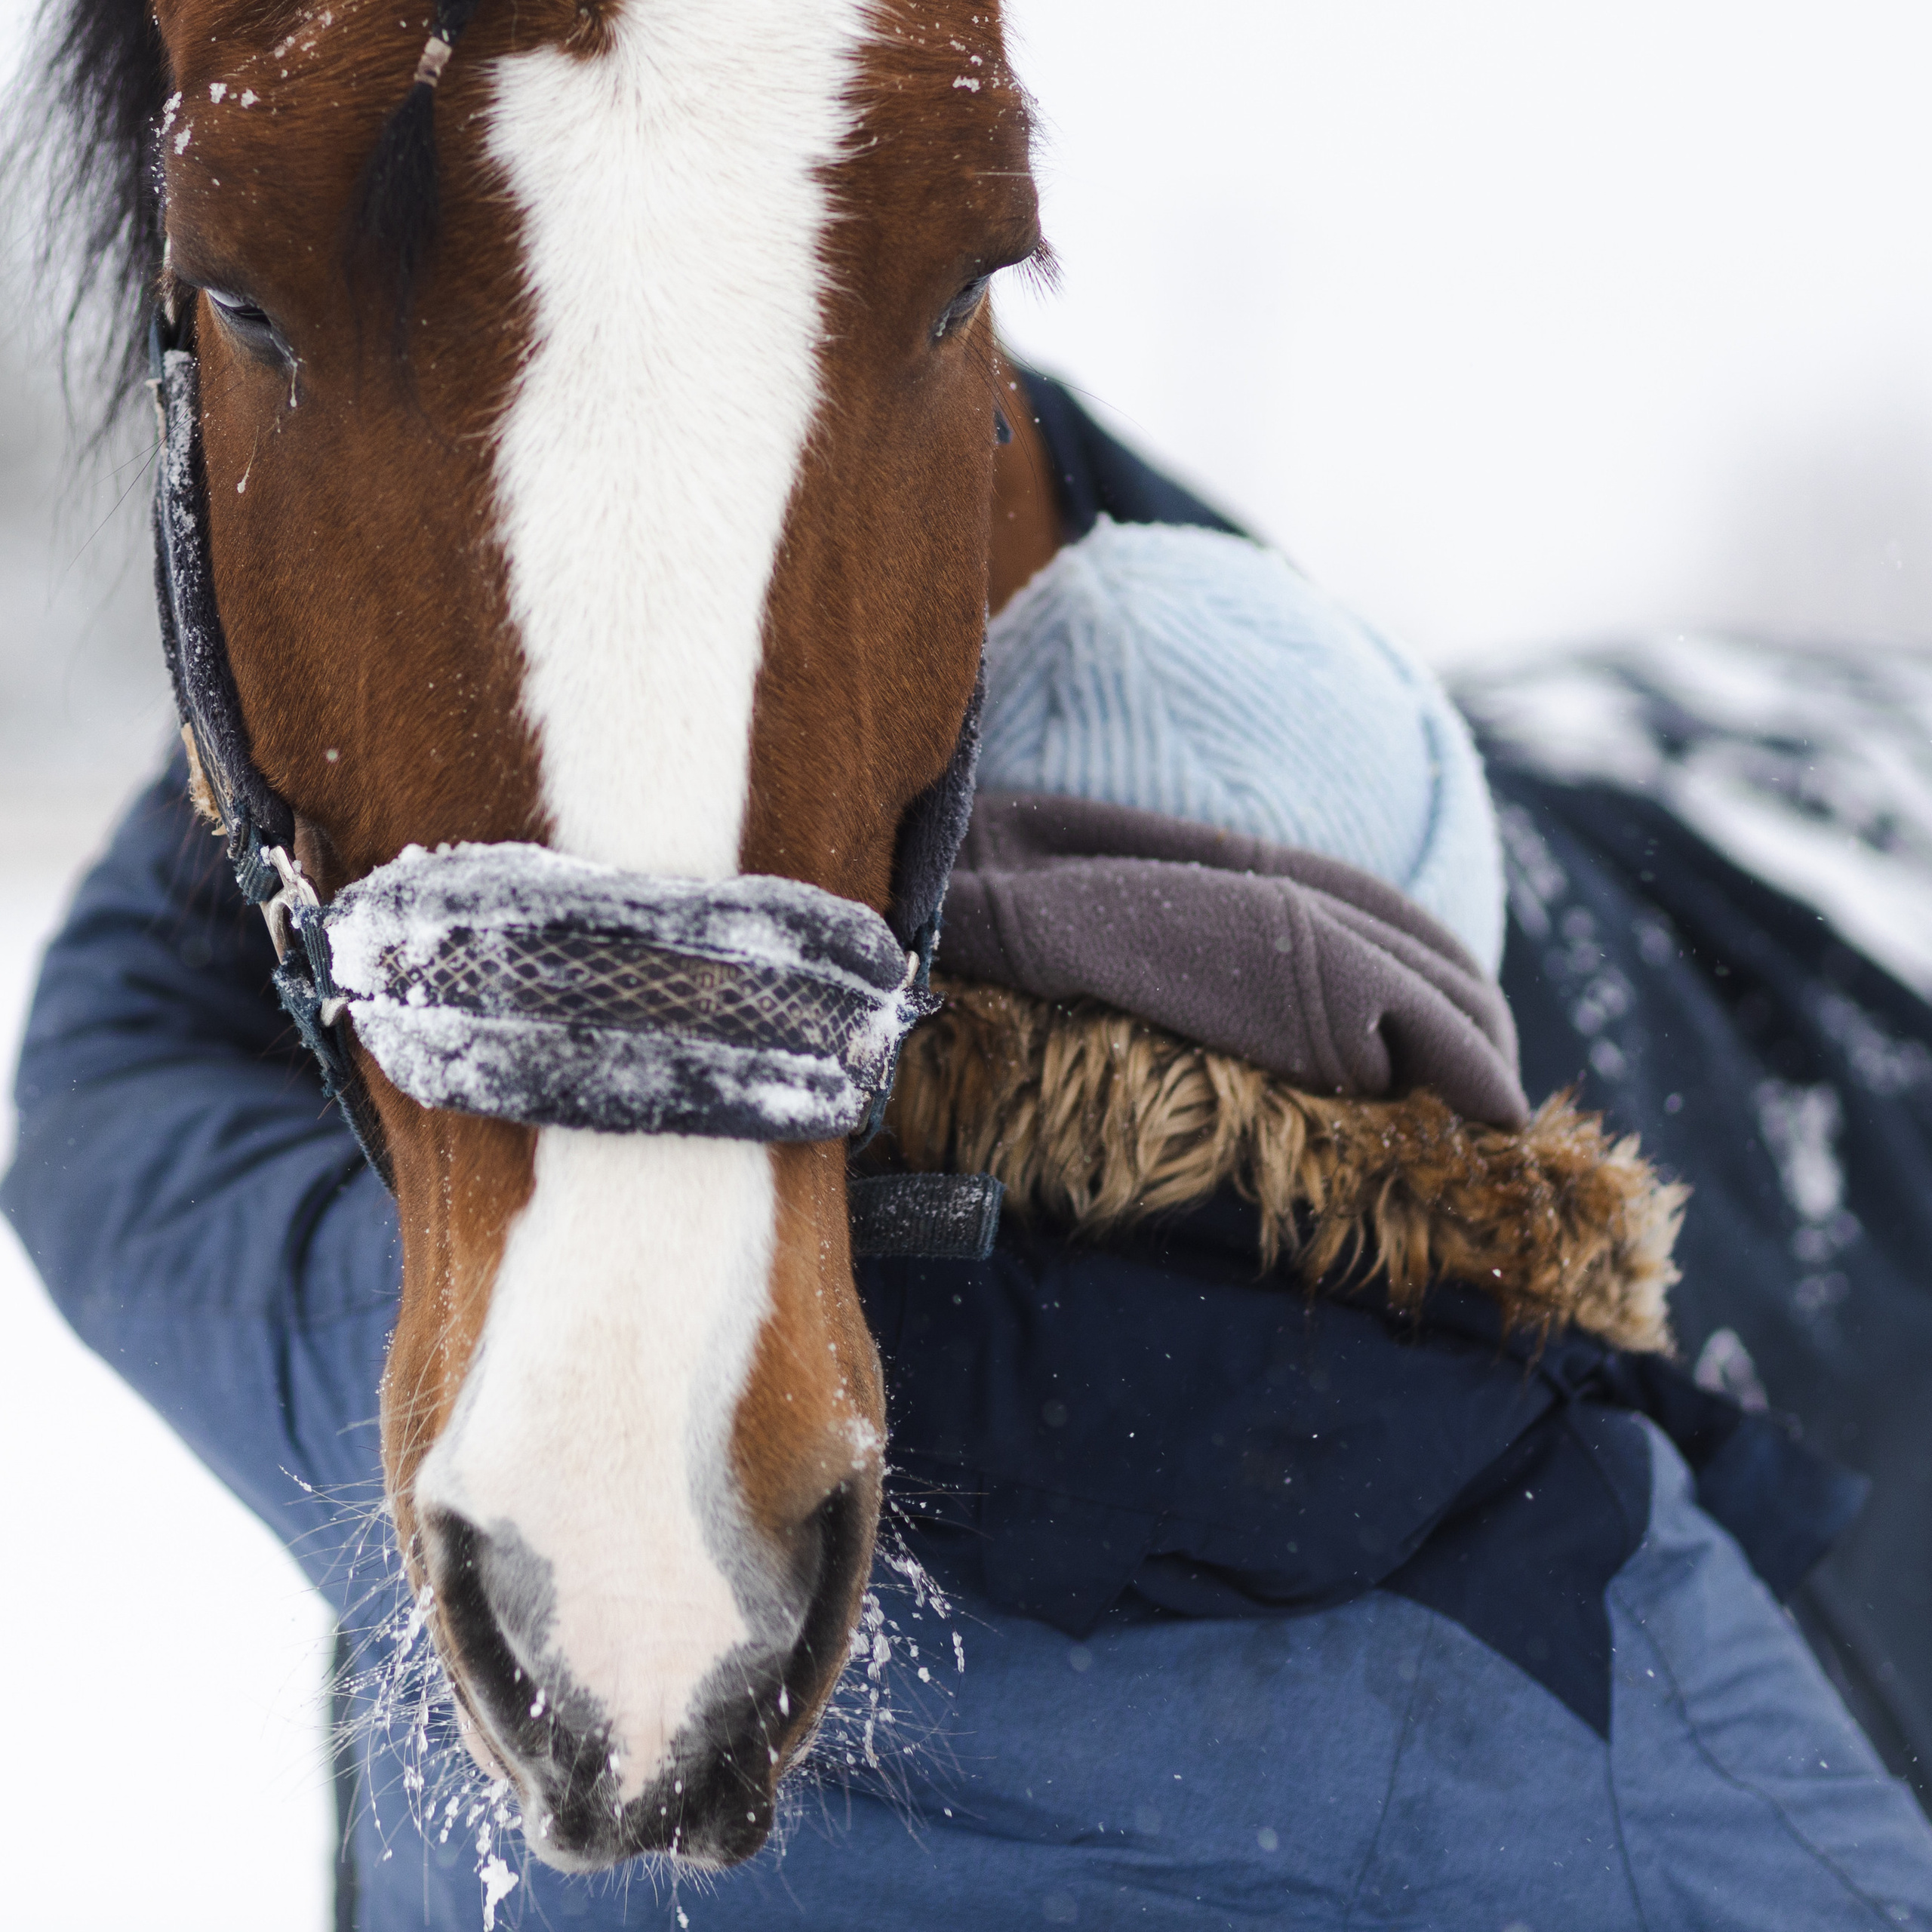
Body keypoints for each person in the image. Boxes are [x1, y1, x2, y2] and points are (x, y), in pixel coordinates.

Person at [8, 377, 1932, 1930]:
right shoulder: (1588, 1584)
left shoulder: (526, 1378)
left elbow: (107, 1080)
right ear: (1433, 1004)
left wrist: (374, 550)